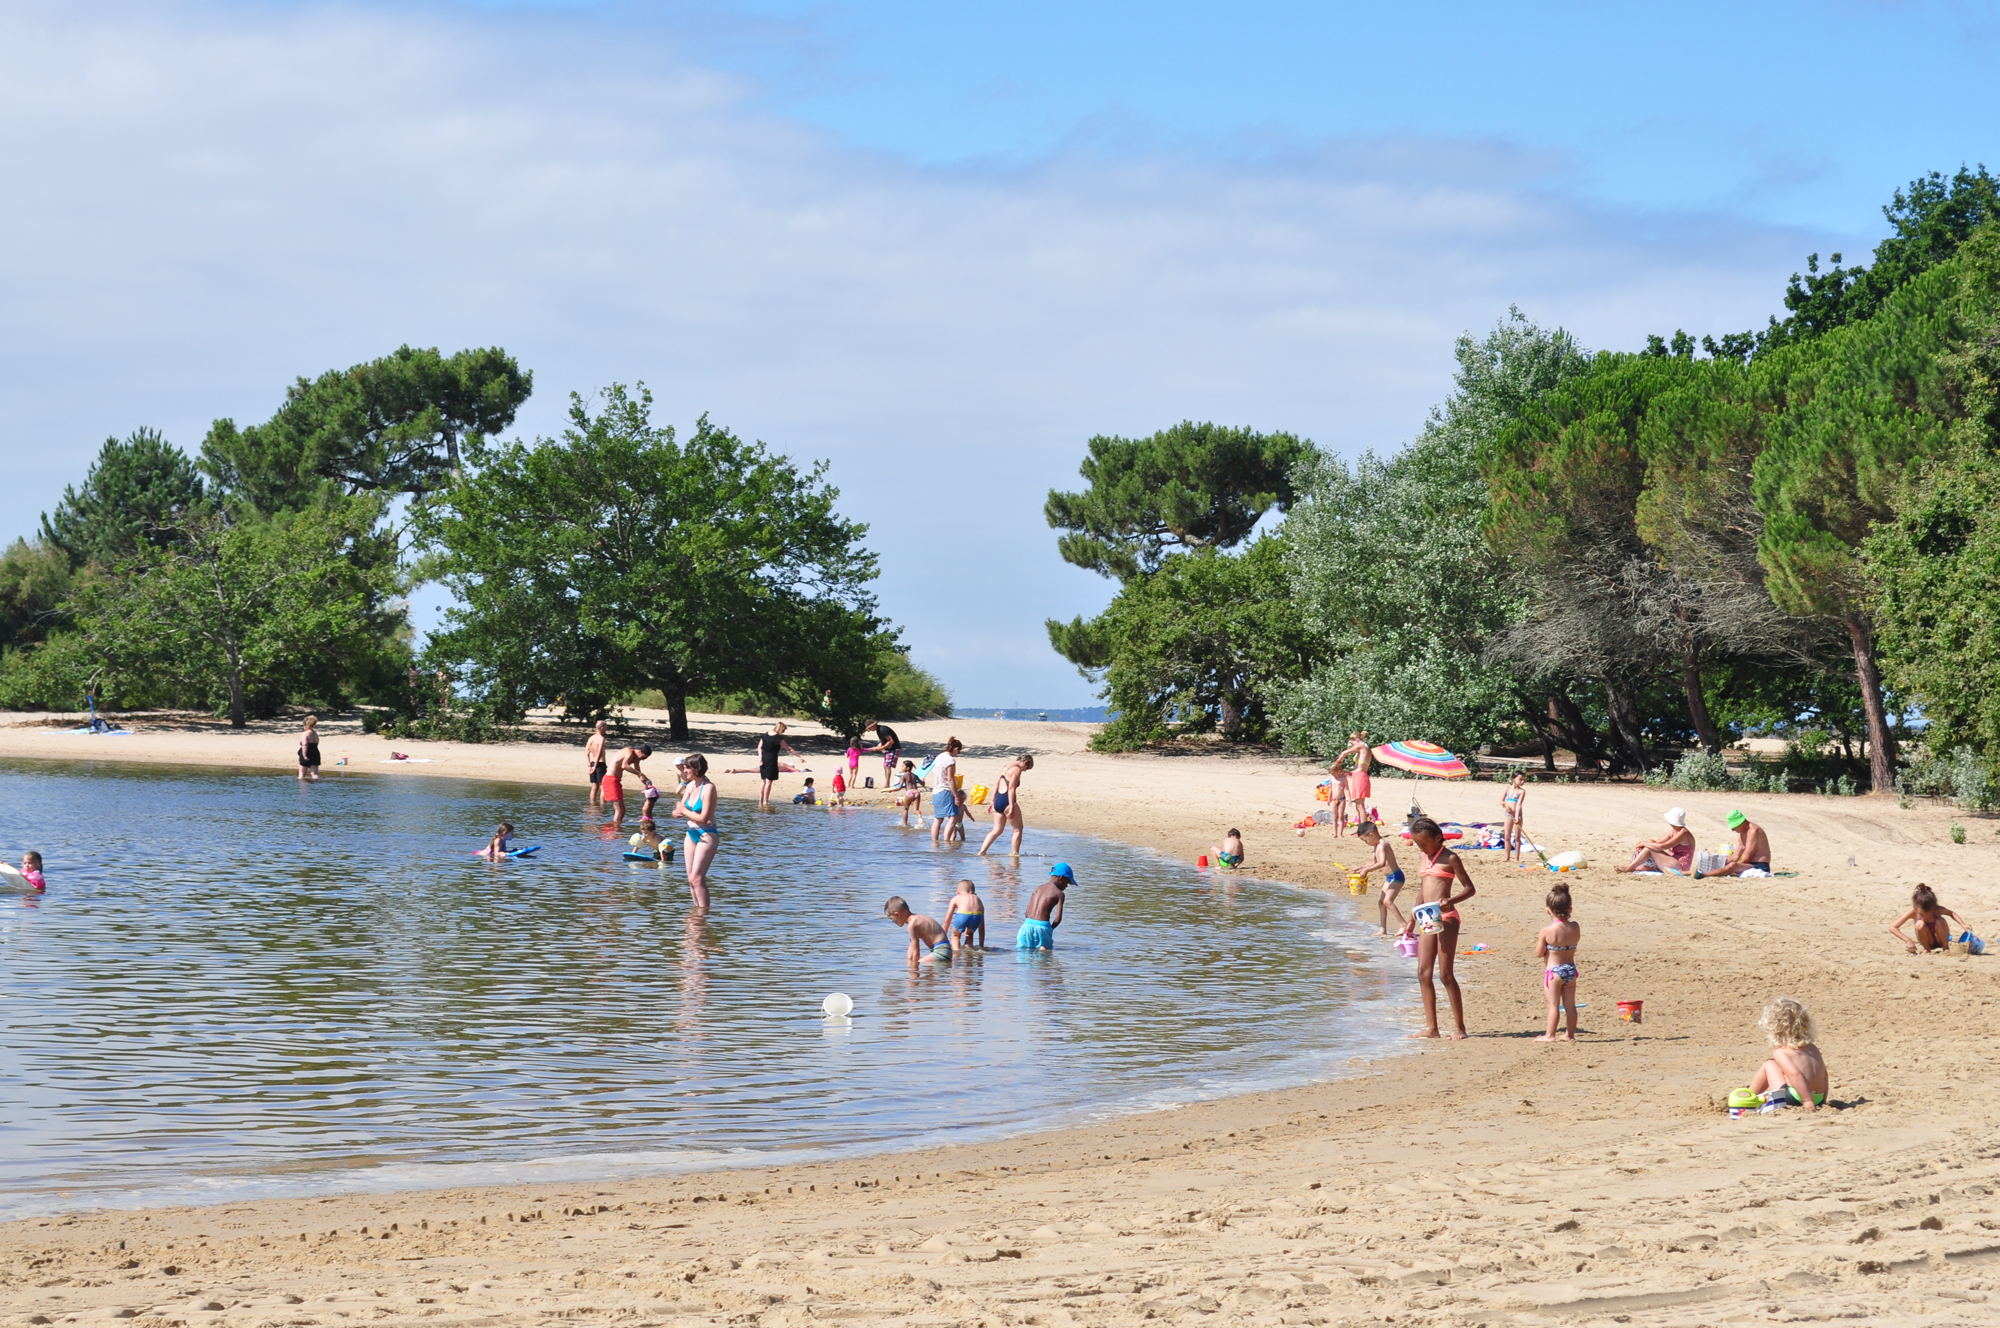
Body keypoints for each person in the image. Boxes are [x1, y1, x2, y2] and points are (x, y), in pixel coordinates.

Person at [1399, 817, 1476, 1040]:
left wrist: (1451, 900)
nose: (1420, 847)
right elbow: (1424, 890)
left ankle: (1459, 1027)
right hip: (1426, 916)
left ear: (1437, 838)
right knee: (1423, 972)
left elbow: (1470, 888)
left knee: (1445, 974)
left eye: (1423, 843)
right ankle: (1432, 1028)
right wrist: (1412, 916)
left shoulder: (1450, 858)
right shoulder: (1423, 857)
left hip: (1447, 917)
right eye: (1417, 844)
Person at [1747, 996, 1829, 1112]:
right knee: (1778, 1068)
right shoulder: (1812, 1047)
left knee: (1769, 1065)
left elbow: (1795, 1074)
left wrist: (1807, 1100)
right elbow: (1824, 1074)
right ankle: (1750, 1095)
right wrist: (1822, 1099)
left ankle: (1748, 1098)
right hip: (1818, 1098)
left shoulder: (1781, 1052)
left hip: (1796, 1098)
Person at [1535, 884, 1581, 1042]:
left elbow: (1539, 953)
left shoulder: (1547, 931)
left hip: (1554, 972)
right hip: (1571, 970)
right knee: (1570, 1006)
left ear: (1548, 910)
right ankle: (1570, 1034)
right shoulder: (1575, 927)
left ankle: (1550, 1035)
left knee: (1553, 1006)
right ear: (1570, 909)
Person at [676, 753, 719, 908]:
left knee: (697, 878)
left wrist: (684, 811)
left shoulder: (708, 788)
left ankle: (703, 915)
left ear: (696, 769)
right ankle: (697, 916)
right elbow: (681, 808)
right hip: (691, 833)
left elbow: (703, 817)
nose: (684, 770)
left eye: (687, 767)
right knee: (691, 879)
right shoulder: (689, 786)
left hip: (707, 834)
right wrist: (678, 812)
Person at [1352, 820, 1405, 934]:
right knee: (1381, 902)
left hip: (1396, 876)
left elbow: (1381, 863)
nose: (1366, 843)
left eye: (1365, 840)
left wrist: (1366, 870)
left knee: (1387, 901)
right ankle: (1383, 929)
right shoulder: (1377, 846)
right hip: (1389, 878)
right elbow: (1374, 861)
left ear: (1371, 834)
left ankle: (1403, 924)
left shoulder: (1382, 844)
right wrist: (1361, 867)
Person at [977, 754, 1034, 856]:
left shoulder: (1006, 766)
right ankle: (1015, 855)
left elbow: (996, 785)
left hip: (998, 800)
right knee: (1018, 830)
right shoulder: (1017, 770)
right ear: (1025, 762)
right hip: (1007, 801)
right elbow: (1011, 789)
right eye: (1026, 768)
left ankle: (982, 851)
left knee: (996, 830)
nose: (1024, 770)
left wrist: (992, 802)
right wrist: (1012, 806)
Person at [1889, 883, 1968, 954]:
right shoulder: (1913, 912)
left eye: (1929, 914)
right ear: (1916, 908)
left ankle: (1945, 948)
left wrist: (1963, 924)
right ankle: (1927, 949)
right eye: (1921, 914)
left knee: (1941, 921)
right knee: (1919, 924)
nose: (1925, 916)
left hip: (1940, 939)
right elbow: (1893, 927)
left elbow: (1951, 913)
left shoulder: (1937, 910)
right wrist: (1908, 940)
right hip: (1927, 941)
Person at [1615, 807, 1695, 874]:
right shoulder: (1675, 830)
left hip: (1680, 866)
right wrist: (1646, 843)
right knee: (1650, 842)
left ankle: (1629, 868)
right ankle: (1639, 865)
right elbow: (1658, 842)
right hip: (1673, 860)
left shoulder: (1683, 833)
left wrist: (1644, 843)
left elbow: (1662, 846)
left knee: (1649, 847)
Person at [1700, 810, 1772, 878]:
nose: (1733, 830)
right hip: (1747, 865)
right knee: (1718, 862)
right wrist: (1717, 859)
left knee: (1733, 866)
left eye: (1734, 827)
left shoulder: (1754, 831)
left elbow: (1746, 859)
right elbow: (1734, 857)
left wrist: (1733, 867)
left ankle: (1704, 875)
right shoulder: (1741, 834)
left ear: (1741, 823)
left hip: (1759, 866)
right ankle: (1694, 872)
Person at [1018, 862, 1072, 951]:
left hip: (1026, 925)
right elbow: (1058, 919)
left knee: (1023, 954)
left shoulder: (1037, 888)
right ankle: (1043, 950)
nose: (1066, 886)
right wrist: (1050, 929)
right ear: (1061, 878)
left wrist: (1030, 923)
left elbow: (1027, 912)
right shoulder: (1059, 894)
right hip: (1043, 927)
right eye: (1067, 882)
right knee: (1044, 958)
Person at [884, 894, 951, 965]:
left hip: (941, 951)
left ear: (897, 914)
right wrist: (909, 962)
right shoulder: (916, 918)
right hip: (944, 949)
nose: (893, 921)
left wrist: (914, 969)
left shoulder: (913, 924)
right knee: (928, 972)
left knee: (920, 963)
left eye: (891, 918)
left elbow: (916, 949)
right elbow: (911, 946)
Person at [929, 737, 966, 845]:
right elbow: (950, 779)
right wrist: (956, 796)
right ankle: (947, 842)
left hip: (936, 790)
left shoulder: (939, 757)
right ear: (955, 748)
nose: (957, 753)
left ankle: (934, 843)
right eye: (958, 751)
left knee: (938, 819)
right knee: (953, 818)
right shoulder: (950, 760)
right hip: (945, 790)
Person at [604, 745, 652, 827]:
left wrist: (647, 783)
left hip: (615, 781)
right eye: (643, 757)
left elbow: (639, 774)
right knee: (620, 810)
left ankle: (615, 829)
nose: (642, 760)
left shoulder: (636, 758)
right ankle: (615, 831)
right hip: (610, 780)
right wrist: (639, 774)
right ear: (639, 751)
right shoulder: (628, 751)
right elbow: (624, 765)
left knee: (621, 810)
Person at [755, 722, 801, 809]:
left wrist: (760, 758)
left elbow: (759, 747)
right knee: (769, 782)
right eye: (783, 730)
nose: (783, 732)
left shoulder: (766, 734)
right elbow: (788, 748)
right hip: (771, 760)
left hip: (764, 759)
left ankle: (760, 801)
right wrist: (799, 756)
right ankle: (765, 801)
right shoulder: (778, 738)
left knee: (763, 781)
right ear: (781, 729)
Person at [943, 879, 986, 952]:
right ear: (974, 893)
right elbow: (982, 928)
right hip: (977, 916)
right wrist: (981, 945)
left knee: (956, 935)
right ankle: (969, 954)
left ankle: (956, 953)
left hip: (963, 915)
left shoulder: (956, 898)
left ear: (958, 892)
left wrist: (941, 940)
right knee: (969, 934)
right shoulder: (978, 900)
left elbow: (947, 922)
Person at [1345, 733, 1374, 829]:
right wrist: (1351, 773)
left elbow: (1345, 753)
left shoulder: (1362, 747)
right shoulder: (1364, 749)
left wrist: (1338, 761)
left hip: (1360, 776)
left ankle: (1363, 829)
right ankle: (1362, 828)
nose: (1353, 745)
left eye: (1352, 742)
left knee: (1360, 806)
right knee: (1359, 806)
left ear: (1356, 740)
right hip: (1358, 776)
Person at [1500, 771, 1528, 864]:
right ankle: (1507, 857)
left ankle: (1516, 858)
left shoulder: (1521, 791)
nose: (1522, 781)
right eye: (1520, 779)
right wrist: (1505, 805)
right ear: (1513, 779)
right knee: (1507, 836)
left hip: (1517, 815)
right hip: (1508, 814)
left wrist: (1516, 817)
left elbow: (1519, 804)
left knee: (1517, 837)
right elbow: (1501, 800)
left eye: (1523, 780)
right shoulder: (1507, 788)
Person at [893, 759, 924, 827]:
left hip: (910, 793)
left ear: (908, 768)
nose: (901, 768)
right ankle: (919, 816)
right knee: (916, 810)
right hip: (917, 792)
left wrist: (891, 790)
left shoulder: (904, 776)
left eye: (903, 766)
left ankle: (905, 825)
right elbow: (923, 784)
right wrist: (923, 780)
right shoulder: (915, 776)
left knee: (905, 809)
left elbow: (899, 787)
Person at [584, 720, 610, 804]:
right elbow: (599, 753)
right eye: (606, 727)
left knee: (594, 787)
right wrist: (595, 766)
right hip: (600, 764)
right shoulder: (601, 739)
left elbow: (586, 754)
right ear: (602, 728)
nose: (606, 728)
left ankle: (593, 805)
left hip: (592, 763)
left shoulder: (591, 738)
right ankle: (602, 806)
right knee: (603, 786)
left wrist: (589, 766)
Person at [297, 715, 321, 783]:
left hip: (307, 752)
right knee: (314, 774)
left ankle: (302, 787)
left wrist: (304, 755)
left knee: (302, 773)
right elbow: (317, 743)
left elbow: (304, 744)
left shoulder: (305, 733)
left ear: (306, 725)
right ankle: (315, 787)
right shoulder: (315, 734)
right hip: (315, 752)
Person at [1327, 766, 1349, 836]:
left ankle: (1341, 833)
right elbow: (1330, 788)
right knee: (1335, 817)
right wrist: (1328, 798)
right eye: (1332, 773)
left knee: (1341, 816)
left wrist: (1349, 799)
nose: (1333, 775)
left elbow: (1347, 789)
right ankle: (1335, 833)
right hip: (1334, 799)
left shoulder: (1343, 778)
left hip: (1342, 798)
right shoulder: (1331, 778)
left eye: (1334, 773)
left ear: (1339, 771)